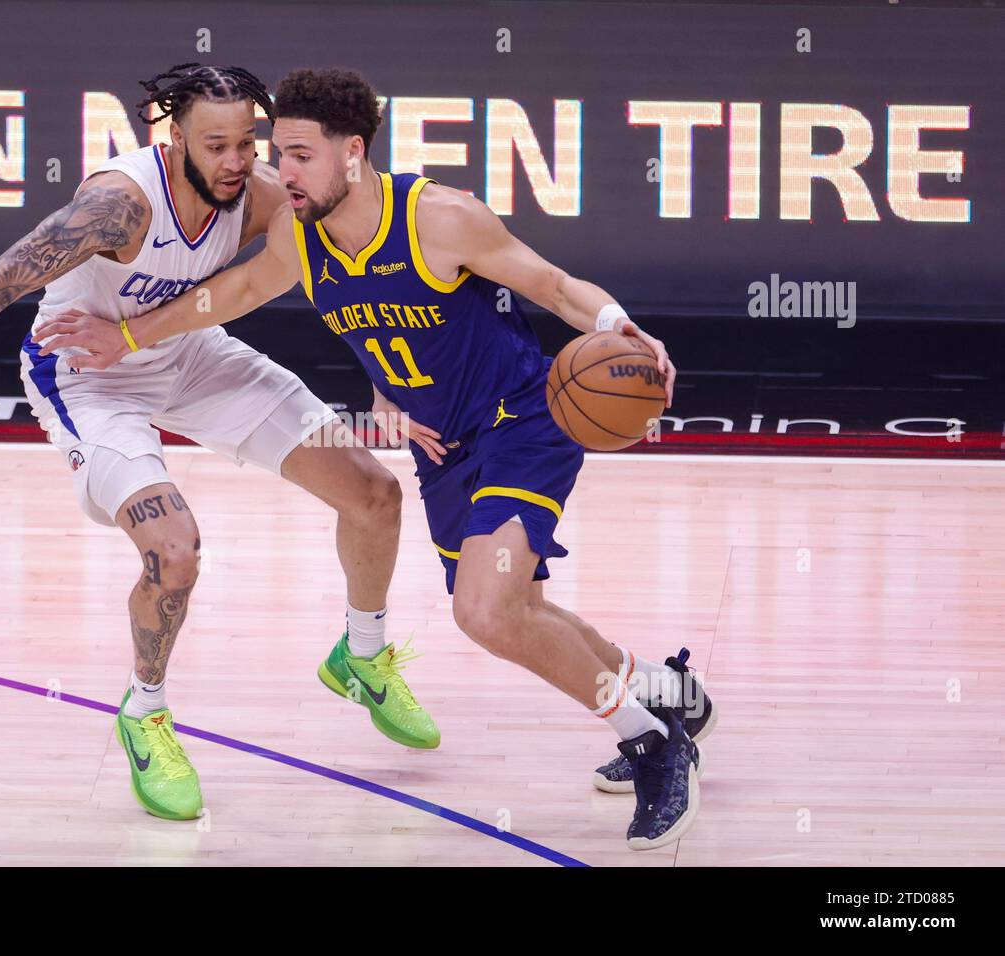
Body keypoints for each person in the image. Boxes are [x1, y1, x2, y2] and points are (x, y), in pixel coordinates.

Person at [42, 68, 717, 849]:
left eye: (298, 156)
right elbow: (229, 296)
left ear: (352, 153)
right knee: (518, 612)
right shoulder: (300, 232)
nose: (278, 175)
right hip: (443, 448)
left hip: (520, 421)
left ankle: (654, 743)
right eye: (277, 155)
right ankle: (665, 691)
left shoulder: (439, 217)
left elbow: (553, 285)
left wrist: (618, 323)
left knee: (485, 611)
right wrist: (126, 337)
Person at [0, 64, 440, 824]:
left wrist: (384, 378)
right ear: (174, 136)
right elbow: (1, 280)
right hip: (89, 378)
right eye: (215, 145)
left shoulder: (257, 195)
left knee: (375, 492)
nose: (234, 161)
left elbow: (334, 273)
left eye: (246, 143)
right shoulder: (118, 206)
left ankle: (362, 654)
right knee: (176, 551)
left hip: (189, 354)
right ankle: (146, 711)